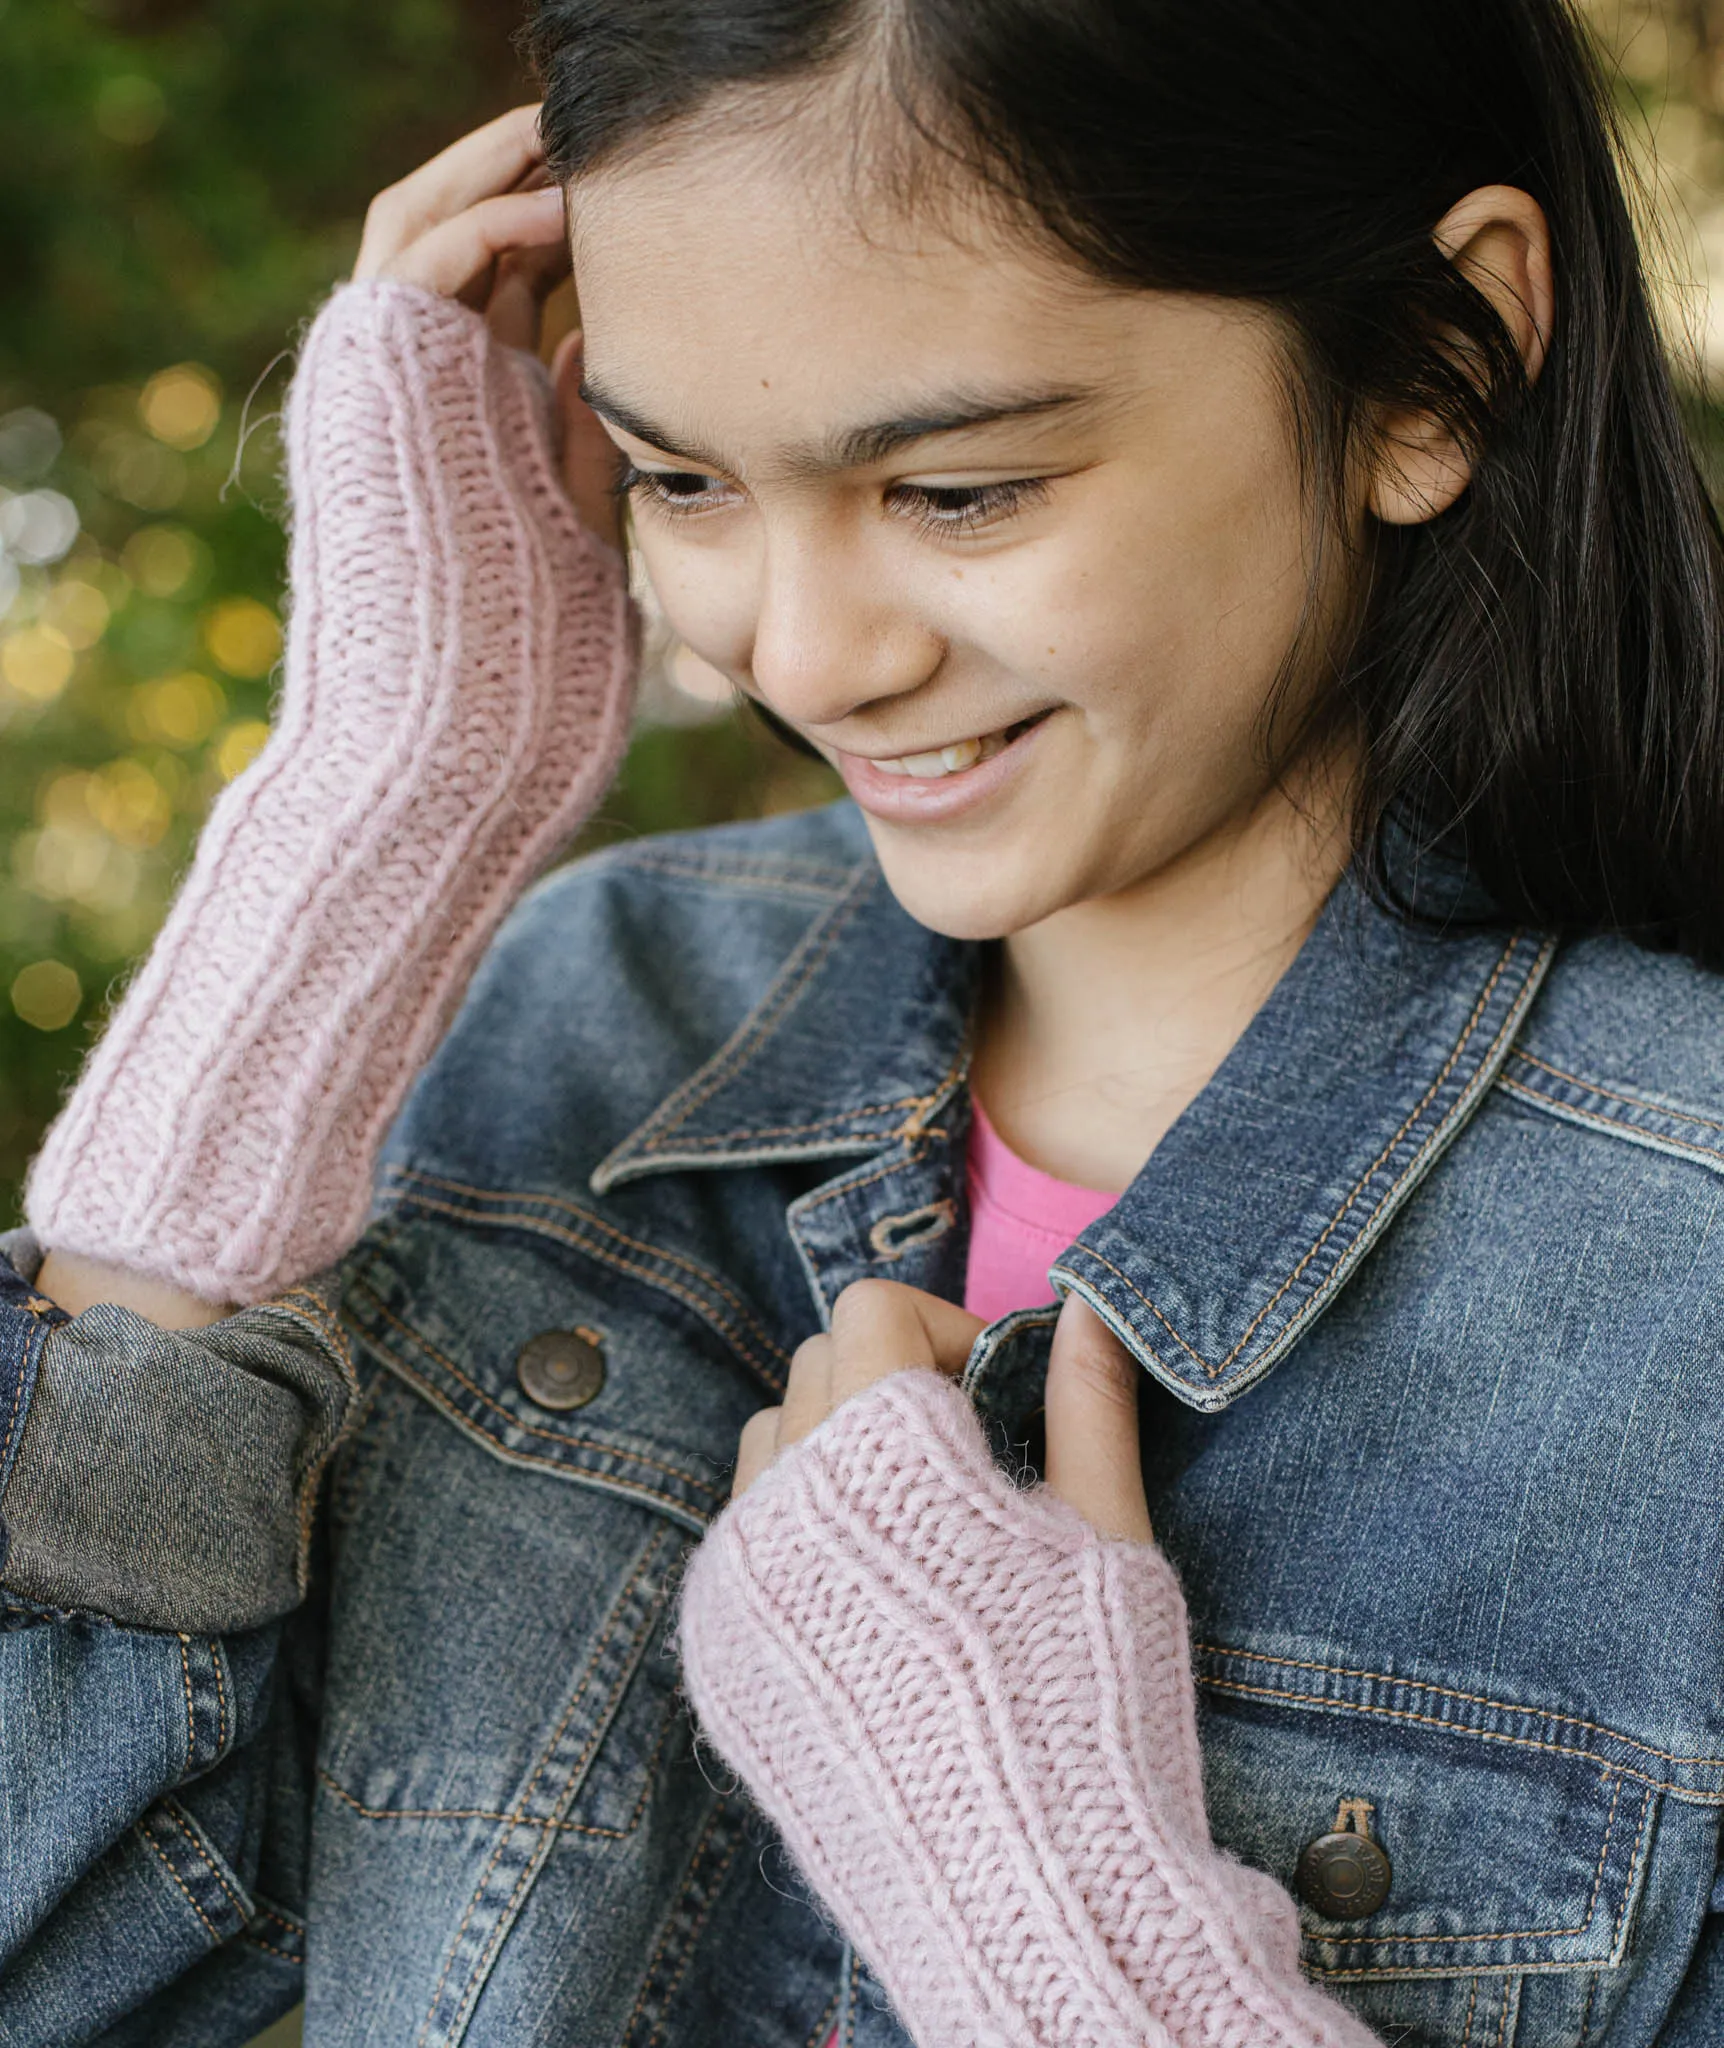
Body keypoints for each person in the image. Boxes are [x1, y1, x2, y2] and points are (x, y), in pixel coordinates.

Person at [3, 0, 1723, 2039]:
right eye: (678, 477)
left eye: (961, 490)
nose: (797, 652)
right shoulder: (566, 1024)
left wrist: (1050, 1924)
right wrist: (360, 822)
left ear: (1432, 372)